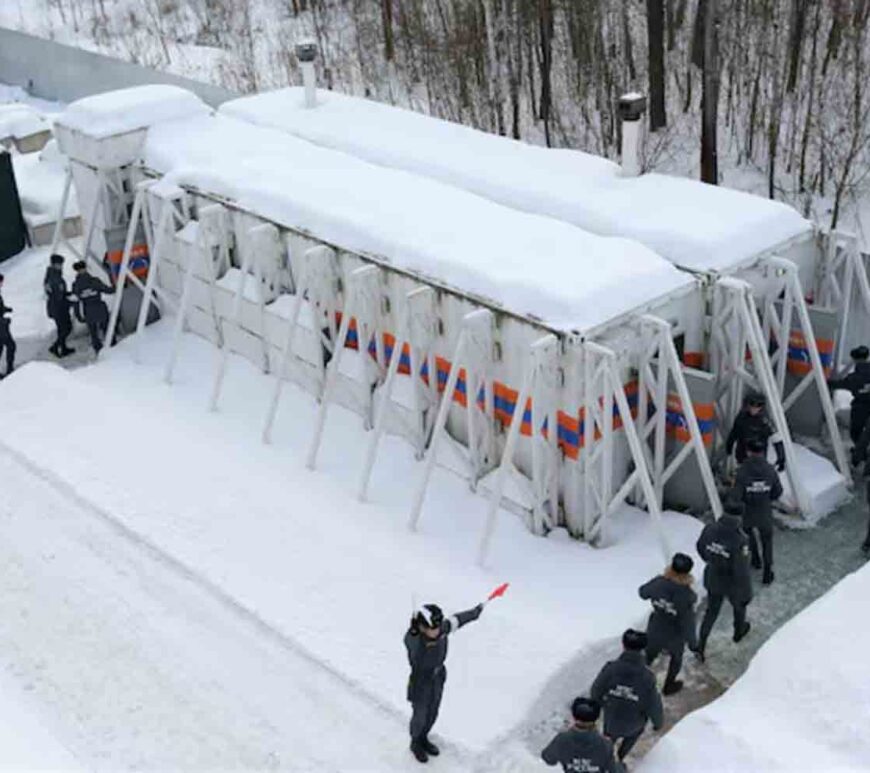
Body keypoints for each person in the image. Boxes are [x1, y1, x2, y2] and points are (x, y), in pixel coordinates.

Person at [404, 601, 483, 763]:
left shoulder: (441, 630)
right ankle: (415, 742)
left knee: (433, 712)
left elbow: (457, 620)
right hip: (420, 682)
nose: (438, 631)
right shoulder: (416, 640)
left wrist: (475, 612)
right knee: (420, 715)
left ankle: (424, 737)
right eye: (434, 629)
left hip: (438, 678)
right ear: (422, 627)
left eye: (439, 627)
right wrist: (413, 631)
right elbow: (410, 641)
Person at [590, 629, 663, 763]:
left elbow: (596, 691)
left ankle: (606, 758)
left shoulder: (610, 668)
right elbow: (654, 704)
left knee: (608, 739)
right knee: (633, 734)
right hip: (634, 724)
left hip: (611, 720)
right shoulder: (648, 677)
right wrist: (658, 723)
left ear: (623, 645)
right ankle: (621, 755)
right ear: (643, 649)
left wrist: (598, 707)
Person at [695, 501, 753, 660]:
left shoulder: (709, 529)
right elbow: (741, 570)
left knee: (711, 612)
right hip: (732, 582)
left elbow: (700, 547)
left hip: (713, 576)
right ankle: (738, 631)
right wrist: (746, 592)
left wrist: (711, 560)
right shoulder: (741, 540)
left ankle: (701, 645)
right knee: (739, 606)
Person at [638, 553, 698, 696]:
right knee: (676, 659)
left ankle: (638, 681)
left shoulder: (658, 583)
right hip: (675, 636)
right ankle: (669, 684)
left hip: (655, 629)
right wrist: (693, 644)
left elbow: (643, 593)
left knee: (648, 655)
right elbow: (688, 623)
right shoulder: (687, 595)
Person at [732, 437, 783, 585]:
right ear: (762, 452)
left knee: (748, 536)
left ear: (748, 452)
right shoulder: (770, 470)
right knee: (767, 542)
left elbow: (736, 496)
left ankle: (755, 559)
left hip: (747, 512)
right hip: (765, 512)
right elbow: (777, 491)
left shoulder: (742, 471)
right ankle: (767, 572)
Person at [541, 697, 623, 773]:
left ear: (573, 716)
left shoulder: (561, 739)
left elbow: (548, 759)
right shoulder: (605, 744)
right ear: (596, 719)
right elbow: (615, 771)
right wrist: (616, 759)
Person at [726, 391, 785, 471]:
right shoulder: (741, 418)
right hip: (742, 455)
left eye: (758, 406)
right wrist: (729, 447)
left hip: (759, 457)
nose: (754, 408)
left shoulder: (765, 421)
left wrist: (781, 457)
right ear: (747, 405)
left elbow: (776, 439)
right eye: (752, 405)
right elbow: (734, 433)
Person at [71, 260, 114, 355]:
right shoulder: (95, 281)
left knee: (93, 333)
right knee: (106, 329)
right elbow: (108, 290)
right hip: (100, 308)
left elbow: (76, 301)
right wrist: (118, 286)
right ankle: (112, 347)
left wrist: (79, 315)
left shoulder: (76, 285)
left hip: (88, 310)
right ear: (86, 269)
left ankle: (98, 351)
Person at [829, 345, 870, 445]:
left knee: (856, 433)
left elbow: (835, 383)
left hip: (860, 408)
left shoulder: (854, 378)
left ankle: (860, 454)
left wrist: (849, 365)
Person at [44, 254, 75, 358]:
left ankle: (62, 347)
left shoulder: (51, 275)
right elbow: (58, 296)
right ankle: (55, 347)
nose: (62, 266)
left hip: (55, 307)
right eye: (60, 264)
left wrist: (67, 294)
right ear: (55, 264)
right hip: (59, 308)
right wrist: (70, 301)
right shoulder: (55, 278)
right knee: (67, 328)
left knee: (62, 328)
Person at [0, 273, 16, 378]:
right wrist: (5, 321)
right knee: (11, 345)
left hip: (2, 325)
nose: (2, 284)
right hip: (1, 327)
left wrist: (5, 309)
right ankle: (10, 369)